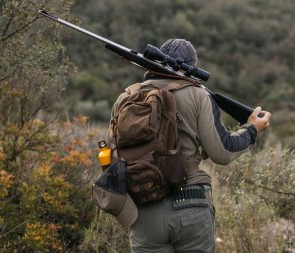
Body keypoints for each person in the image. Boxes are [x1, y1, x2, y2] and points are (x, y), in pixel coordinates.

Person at [107, 38, 271, 252]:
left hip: (144, 209)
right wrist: (252, 129)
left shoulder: (125, 99)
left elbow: (112, 155)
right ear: (192, 67)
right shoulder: (198, 94)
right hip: (190, 202)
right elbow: (222, 151)